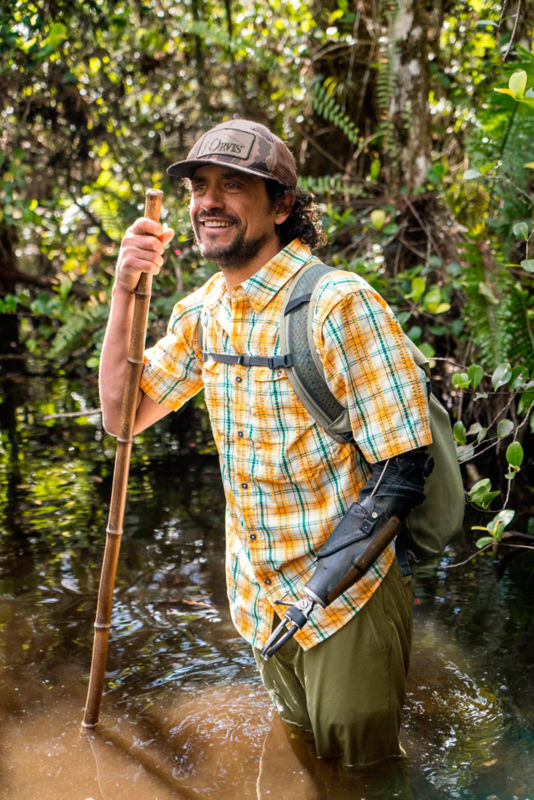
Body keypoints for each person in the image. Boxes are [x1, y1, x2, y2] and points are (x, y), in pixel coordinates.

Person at [99, 119, 432, 769]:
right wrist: (124, 287)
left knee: (363, 778)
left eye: (232, 185)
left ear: (282, 205)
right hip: (258, 601)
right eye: (200, 186)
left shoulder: (340, 304)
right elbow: (121, 417)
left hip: (345, 601)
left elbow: (402, 469)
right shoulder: (203, 312)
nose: (208, 201)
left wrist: (320, 589)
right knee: (306, 764)